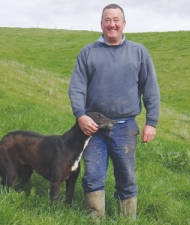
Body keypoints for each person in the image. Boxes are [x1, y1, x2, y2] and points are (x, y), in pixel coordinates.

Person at [68, 3, 160, 220]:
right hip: (93, 129)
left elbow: (151, 89)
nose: (112, 24)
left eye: (116, 20)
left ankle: (127, 220)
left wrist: (151, 122)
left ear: (124, 24)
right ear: (101, 24)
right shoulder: (87, 53)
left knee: (126, 177)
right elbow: (77, 87)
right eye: (107, 20)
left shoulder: (139, 52)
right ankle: (94, 219)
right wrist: (80, 115)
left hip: (125, 127)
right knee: (93, 175)